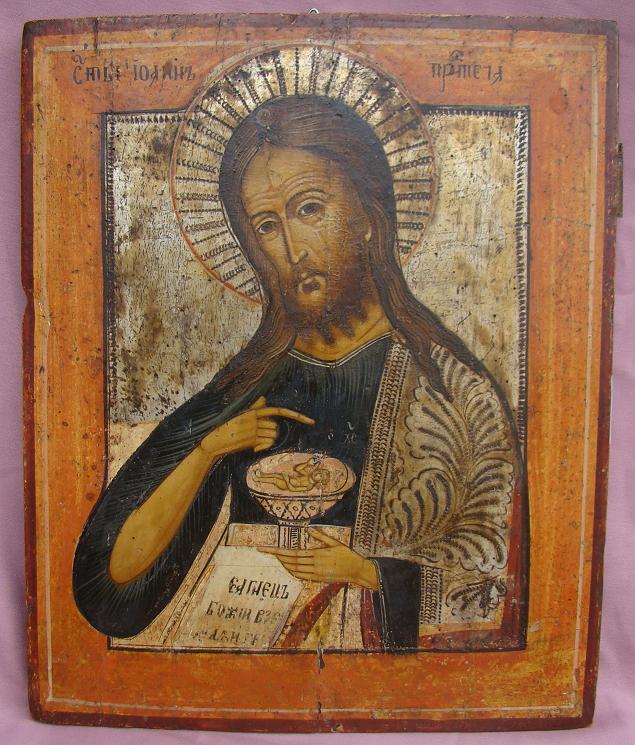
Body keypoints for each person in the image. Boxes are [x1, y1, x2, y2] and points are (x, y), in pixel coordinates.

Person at [73, 95, 527, 651]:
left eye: (310, 209)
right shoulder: (246, 391)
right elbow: (109, 588)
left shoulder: (454, 392)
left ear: (367, 216)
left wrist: (368, 574)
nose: (292, 250)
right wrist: (206, 452)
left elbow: (498, 589)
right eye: (267, 226)